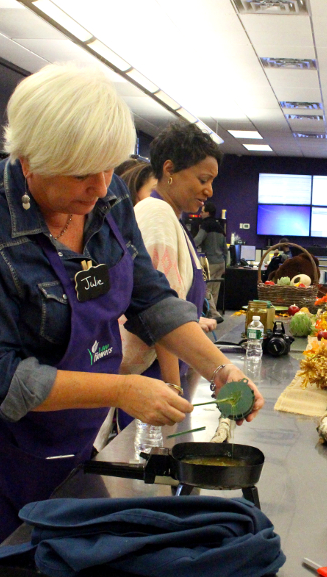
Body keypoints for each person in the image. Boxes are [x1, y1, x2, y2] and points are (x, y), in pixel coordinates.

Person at [0, 65, 264, 577]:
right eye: (79, 176)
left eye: (105, 171)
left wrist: (219, 367)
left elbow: (151, 298)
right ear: (29, 160)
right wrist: (122, 390)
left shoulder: (107, 198)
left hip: (68, 428)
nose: (100, 190)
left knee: (63, 568)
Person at [118, 122, 221, 397]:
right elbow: (160, 311)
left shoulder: (172, 219)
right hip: (153, 381)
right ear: (169, 170)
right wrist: (173, 387)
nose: (209, 191)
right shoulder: (156, 213)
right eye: (203, 180)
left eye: (212, 181)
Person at [193, 200, 228, 319]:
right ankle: (212, 314)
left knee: (204, 287)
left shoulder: (205, 225)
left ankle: (214, 313)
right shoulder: (220, 226)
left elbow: (197, 240)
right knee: (214, 290)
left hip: (211, 263)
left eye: (202, 211)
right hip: (221, 263)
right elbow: (225, 248)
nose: (200, 214)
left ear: (207, 213)